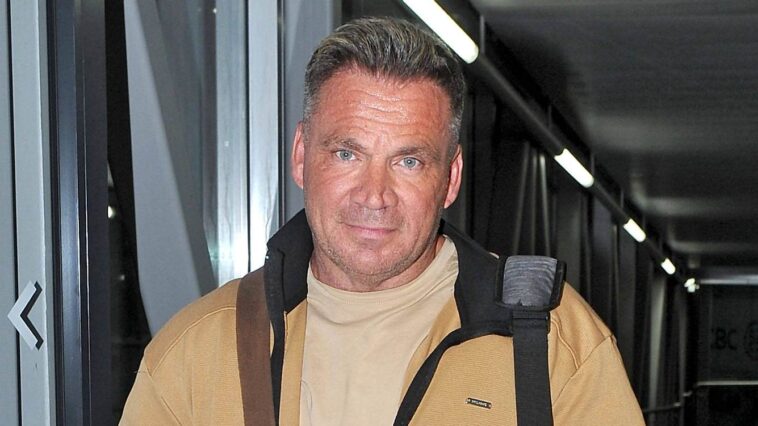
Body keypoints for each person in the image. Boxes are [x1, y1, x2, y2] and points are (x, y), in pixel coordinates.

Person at [121, 17, 644, 425]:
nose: (374, 196)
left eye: (408, 161)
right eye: (347, 154)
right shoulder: (196, 351)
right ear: (301, 156)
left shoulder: (551, 342)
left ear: (451, 177)